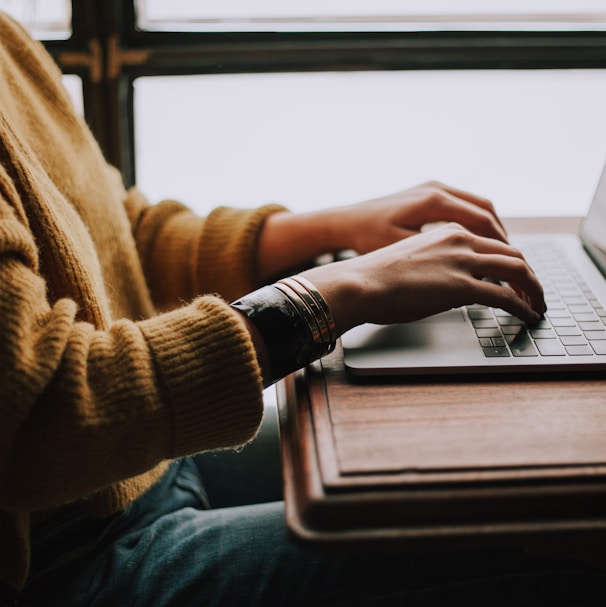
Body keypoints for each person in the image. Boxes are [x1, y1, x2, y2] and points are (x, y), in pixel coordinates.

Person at [0, 10, 604, 607]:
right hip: (67, 561)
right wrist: (340, 290)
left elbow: (118, 237)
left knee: (478, 464)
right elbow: (44, 414)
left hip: (137, 470)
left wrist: (336, 228)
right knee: (550, 538)